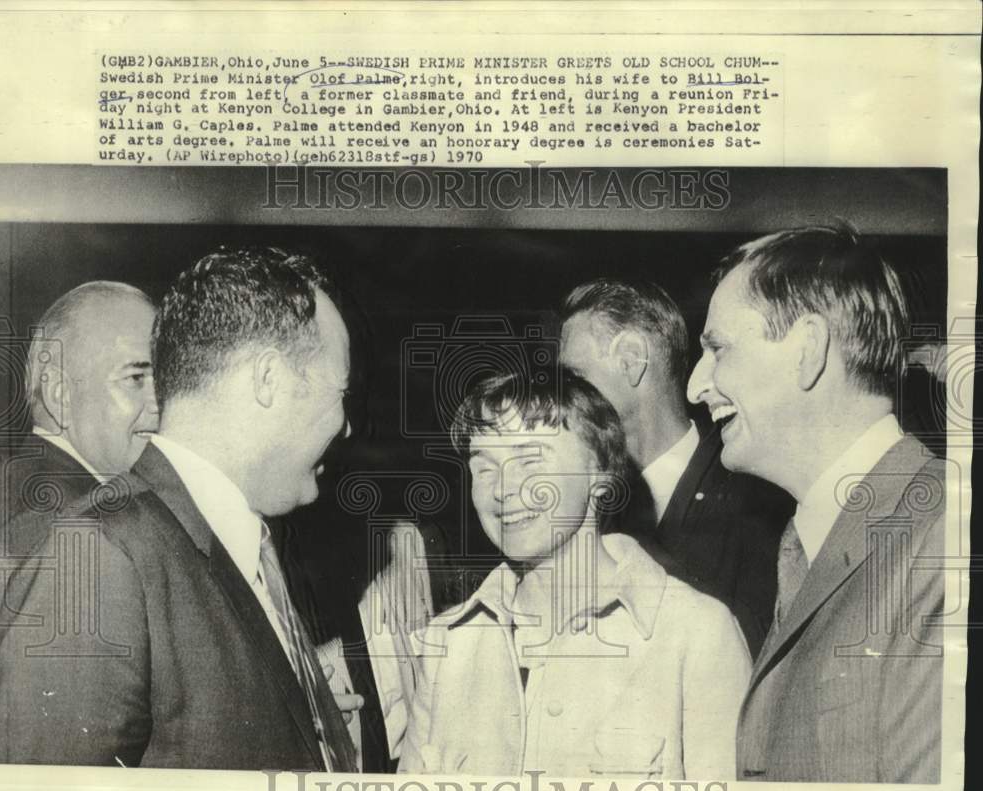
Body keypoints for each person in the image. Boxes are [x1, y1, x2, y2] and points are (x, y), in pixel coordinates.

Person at [0, 248, 363, 769]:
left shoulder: (230, 542)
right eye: (339, 391)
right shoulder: (95, 557)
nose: (347, 426)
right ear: (268, 379)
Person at [686, 225, 944, 783]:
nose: (695, 386)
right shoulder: (805, 544)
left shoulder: (944, 540)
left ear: (807, 349)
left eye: (717, 349)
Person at [399, 369, 750, 778]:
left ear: (599, 473)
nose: (503, 489)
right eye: (484, 468)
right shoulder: (447, 645)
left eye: (530, 459)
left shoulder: (697, 633)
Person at [559, 280, 794, 657]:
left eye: (576, 378)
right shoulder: (585, 509)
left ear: (631, 359)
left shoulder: (761, 495)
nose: (566, 400)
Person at [0, 281, 159, 557]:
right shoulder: (62, 523)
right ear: (60, 394)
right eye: (135, 378)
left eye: (162, 379)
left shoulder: (25, 492)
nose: (159, 402)